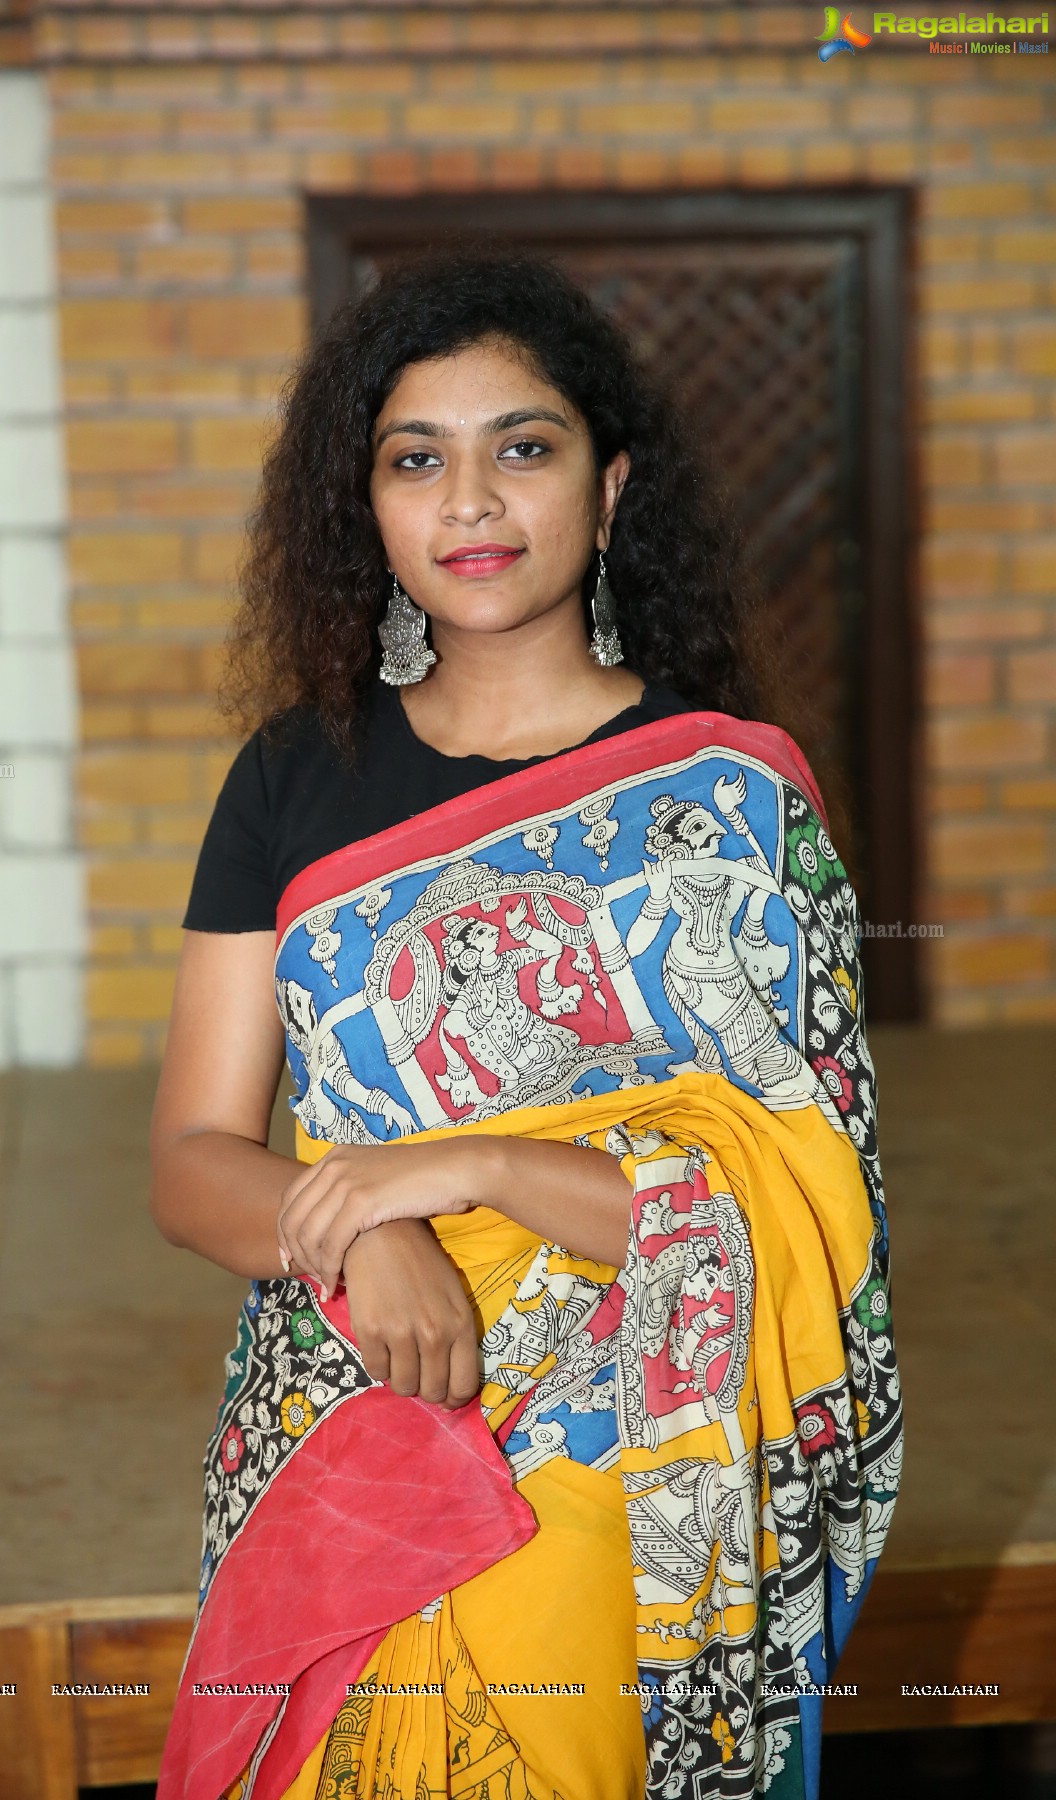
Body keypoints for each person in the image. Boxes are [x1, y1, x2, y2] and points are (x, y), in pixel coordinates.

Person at [151, 250, 902, 1800]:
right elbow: (189, 1158)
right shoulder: (294, 778)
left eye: (525, 449)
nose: (471, 503)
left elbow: (788, 1214)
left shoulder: (726, 796)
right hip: (362, 1427)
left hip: (638, 1483)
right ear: (363, 505)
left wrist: (469, 1170)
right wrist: (356, 1232)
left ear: (612, 488)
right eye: (416, 460)